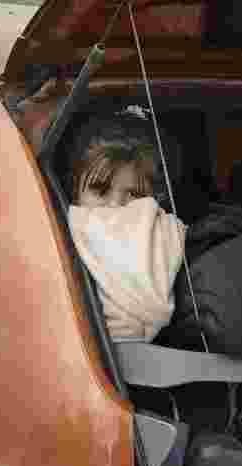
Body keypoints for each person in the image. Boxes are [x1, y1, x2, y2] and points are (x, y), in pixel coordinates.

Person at [62, 110, 187, 342]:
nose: (116, 205)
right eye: (100, 191)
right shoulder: (56, 245)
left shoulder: (165, 239)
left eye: (134, 194)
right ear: (74, 192)